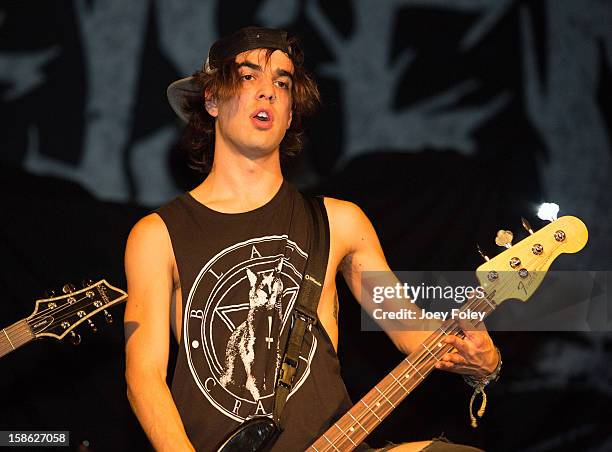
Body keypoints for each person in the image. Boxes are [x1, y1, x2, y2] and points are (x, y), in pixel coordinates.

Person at [124, 26, 500, 452]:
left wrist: (483, 364)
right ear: (211, 99)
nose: (268, 92)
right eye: (249, 77)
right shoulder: (157, 235)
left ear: (290, 113)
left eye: (281, 83)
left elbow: (410, 331)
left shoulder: (339, 221)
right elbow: (144, 373)